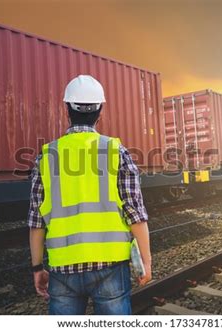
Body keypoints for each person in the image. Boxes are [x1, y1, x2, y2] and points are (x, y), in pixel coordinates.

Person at [28, 75, 152, 315]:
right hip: (110, 266)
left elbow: (36, 222)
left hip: (62, 270)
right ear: (100, 112)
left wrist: (36, 268)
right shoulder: (117, 151)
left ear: (67, 110)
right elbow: (135, 214)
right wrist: (145, 261)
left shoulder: (46, 156)